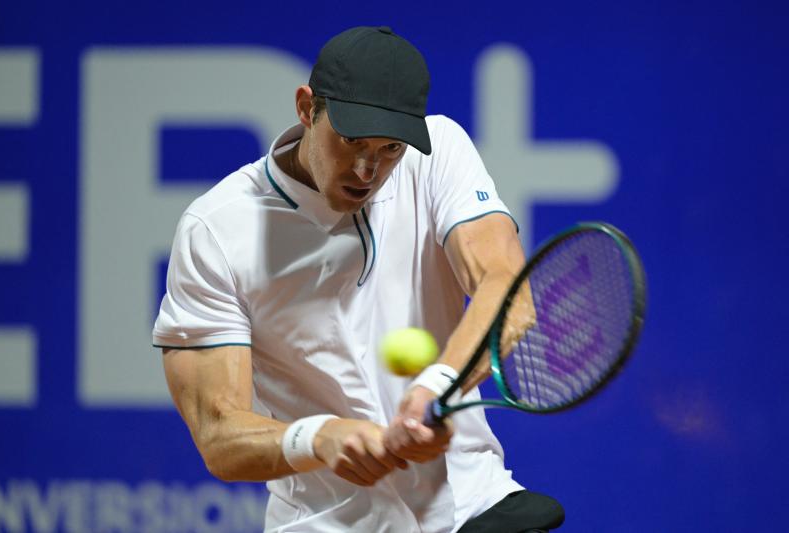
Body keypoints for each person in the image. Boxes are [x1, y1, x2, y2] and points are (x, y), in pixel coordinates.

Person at [153, 26, 564, 532]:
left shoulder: (439, 156)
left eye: (390, 148)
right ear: (307, 108)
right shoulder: (215, 230)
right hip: (328, 523)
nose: (368, 169)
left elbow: (507, 289)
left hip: (470, 505)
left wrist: (438, 384)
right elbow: (219, 436)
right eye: (351, 140)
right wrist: (320, 437)